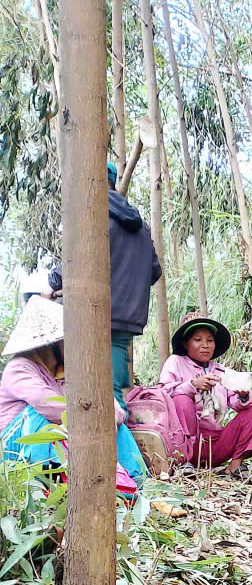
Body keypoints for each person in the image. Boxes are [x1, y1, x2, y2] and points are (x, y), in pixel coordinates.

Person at [47, 163, 162, 410]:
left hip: (95, 314)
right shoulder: (141, 227)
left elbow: (75, 260)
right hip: (127, 319)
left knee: (105, 397)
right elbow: (155, 271)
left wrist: (53, 283)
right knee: (110, 390)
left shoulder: (93, 214)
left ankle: (124, 449)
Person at [0, 296, 146, 488]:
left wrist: (104, 413)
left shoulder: (66, 373)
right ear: (50, 344)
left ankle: (133, 479)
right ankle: (51, 480)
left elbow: (113, 408)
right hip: (15, 451)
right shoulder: (19, 368)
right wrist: (97, 412)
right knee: (39, 415)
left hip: (59, 440)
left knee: (112, 419)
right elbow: (50, 407)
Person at [158, 312, 252, 474]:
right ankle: (184, 462)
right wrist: (192, 385)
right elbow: (163, 393)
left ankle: (235, 465)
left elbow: (238, 403)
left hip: (216, 445)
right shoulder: (175, 362)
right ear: (185, 343)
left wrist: (243, 395)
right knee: (181, 398)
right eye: (197, 340)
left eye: (210, 340)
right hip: (185, 446)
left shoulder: (220, 370)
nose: (205, 345)